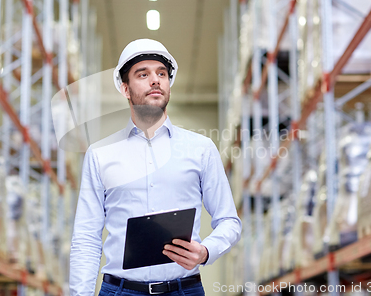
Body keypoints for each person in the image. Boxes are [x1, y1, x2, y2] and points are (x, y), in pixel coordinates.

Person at [69, 38, 242, 296]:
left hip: (185, 289)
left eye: (162, 73)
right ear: (125, 89)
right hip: (120, 291)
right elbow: (86, 237)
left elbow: (229, 220)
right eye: (143, 74)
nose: (155, 80)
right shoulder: (100, 155)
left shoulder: (201, 148)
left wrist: (206, 251)